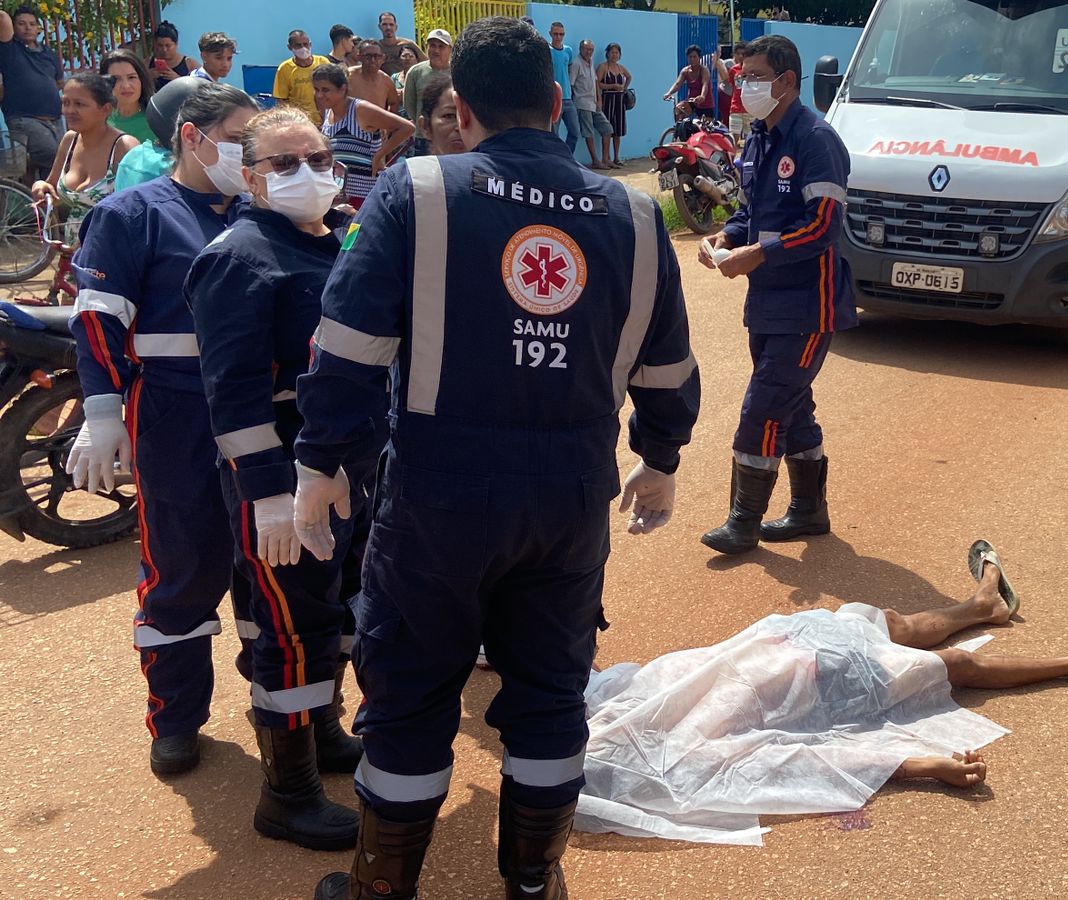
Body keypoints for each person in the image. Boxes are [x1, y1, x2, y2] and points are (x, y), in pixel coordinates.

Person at [297, 17, 697, 899]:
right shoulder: (635, 213)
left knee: (409, 692)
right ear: (559, 104)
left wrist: (320, 458)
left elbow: (348, 345)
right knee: (551, 694)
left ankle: (380, 885)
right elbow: (666, 362)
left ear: (462, 110)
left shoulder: (418, 194)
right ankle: (532, 881)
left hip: (441, 495)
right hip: (570, 497)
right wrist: (661, 454)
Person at [577, 541, 1068, 844]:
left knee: (890, 622)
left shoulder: (618, 699)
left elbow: (563, 676)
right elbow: (798, 760)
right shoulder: (686, 754)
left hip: (784, 640)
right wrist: (918, 764)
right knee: (953, 665)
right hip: (830, 685)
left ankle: (983, 603)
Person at [185, 105, 372, 851]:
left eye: (321, 159)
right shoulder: (240, 256)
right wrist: (266, 491)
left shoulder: (344, 241)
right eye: (286, 164)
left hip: (353, 465)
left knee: (334, 613)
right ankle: (286, 792)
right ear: (252, 178)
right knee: (290, 626)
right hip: (285, 473)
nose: (310, 175)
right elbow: (230, 391)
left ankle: (322, 730)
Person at [65, 80, 260, 776]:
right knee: (181, 564)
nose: (249, 156)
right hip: (175, 413)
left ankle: (289, 712)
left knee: (271, 569)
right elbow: (98, 318)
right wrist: (101, 410)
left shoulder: (258, 210)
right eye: (239, 141)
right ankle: (175, 717)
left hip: (262, 412)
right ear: (191, 135)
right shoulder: (133, 215)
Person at [697, 34, 854, 555]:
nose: (744, 84)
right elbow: (750, 213)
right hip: (767, 302)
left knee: (763, 405)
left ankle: (744, 521)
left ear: (787, 81)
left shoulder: (815, 140)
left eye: (755, 76)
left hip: (809, 304)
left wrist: (758, 254)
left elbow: (825, 225)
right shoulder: (759, 136)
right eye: (741, 76)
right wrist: (726, 237)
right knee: (793, 404)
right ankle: (810, 511)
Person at [31, 73, 139, 244]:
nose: (70, 111)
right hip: (73, 255)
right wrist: (41, 186)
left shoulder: (124, 147)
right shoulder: (70, 141)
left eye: (79, 104)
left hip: (113, 252)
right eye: (66, 103)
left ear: (105, 109)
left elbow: (139, 209)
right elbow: (51, 186)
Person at [312, 63, 413, 209]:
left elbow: (407, 128)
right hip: (340, 197)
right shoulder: (328, 112)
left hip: (365, 197)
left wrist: (379, 156)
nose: (320, 95)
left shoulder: (360, 109)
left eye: (326, 90)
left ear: (342, 89)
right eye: (317, 90)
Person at [0, 6, 66, 184]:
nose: (27, 27)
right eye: (21, 24)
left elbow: (59, 81)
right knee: (55, 157)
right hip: (25, 119)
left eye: (32, 24)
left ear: (38, 28)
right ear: (13, 27)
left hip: (55, 120)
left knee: (53, 168)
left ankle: (44, 208)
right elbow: (2, 17)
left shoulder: (48, 53)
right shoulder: (9, 49)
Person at [402, 29, 452, 154]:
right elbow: (409, 105)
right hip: (424, 137)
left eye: (441, 46)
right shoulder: (415, 72)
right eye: (432, 46)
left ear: (450, 50)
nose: (436, 50)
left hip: (451, 135)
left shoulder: (458, 72)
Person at [99, 50, 158, 146]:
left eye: (131, 77)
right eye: (116, 79)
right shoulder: (99, 121)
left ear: (142, 79)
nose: (126, 86)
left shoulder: (159, 118)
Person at [570, 39, 613, 169]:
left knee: (607, 129)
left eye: (591, 50)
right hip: (582, 103)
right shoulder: (576, 64)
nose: (589, 52)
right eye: (586, 49)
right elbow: (571, 84)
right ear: (580, 49)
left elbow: (595, 82)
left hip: (593, 103)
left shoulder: (590, 62)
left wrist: (599, 99)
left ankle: (605, 159)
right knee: (588, 133)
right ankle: (595, 160)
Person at [274, 30, 330, 123]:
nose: (303, 48)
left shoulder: (323, 63)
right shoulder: (284, 69)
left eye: (305, 44)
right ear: (289, 47)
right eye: (298, 45)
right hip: (299, 122)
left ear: (310, 44)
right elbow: (281, 100)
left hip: (324, 121)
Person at [597, 43, 630, 168]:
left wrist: (624, 89)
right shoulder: (603, 67)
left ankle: (616, 157)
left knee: (618, 130)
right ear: (607, 53)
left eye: (616, 52)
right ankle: (606, 157)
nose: (614, 55)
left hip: (619, 100)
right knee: (607, 130)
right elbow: (598, 84)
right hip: (608, 99)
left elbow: (629, 77)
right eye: (612, 52)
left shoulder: (621, 68)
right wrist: (612, 86)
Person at [417, 72, 465, 156]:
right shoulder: (412, 169)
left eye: (472, 118)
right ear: (425, 126)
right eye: (449, 116)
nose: (461, 126)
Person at [548, 22, 579, 152]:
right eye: (556, 34)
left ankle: (568, 158)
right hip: (554, 97)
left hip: (567, 97)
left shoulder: (568, 50)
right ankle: (556, 160)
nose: (558, 37)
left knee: (575, 132)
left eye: (561, 34)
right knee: (554, 134)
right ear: (550, 34)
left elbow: (570, 68)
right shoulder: (546, 50)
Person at [348, 39, 401, 114]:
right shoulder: (348, 76)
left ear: (383, 58)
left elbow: (394, 103)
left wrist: (387, 119)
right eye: (368, 56)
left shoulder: (386, 81)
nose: (372, 60)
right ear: (359, 57)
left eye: (377, 56)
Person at [663, 44, 713, 117]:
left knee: (703, 127)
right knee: (678, 109)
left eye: (694, 57)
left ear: (699, 57)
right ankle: (680, 127)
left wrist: (702, 96)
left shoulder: (704, 70)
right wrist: (669, 93)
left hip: (705, 104)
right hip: (692, 102)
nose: (692, 59)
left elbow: (705, 84)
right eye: (690, 57)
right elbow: (677, 84)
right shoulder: (685, 71)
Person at [148, 20, 196, 85]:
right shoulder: (148, 63)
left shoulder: (189, 64)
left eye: (168, 45)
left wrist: (178, 79)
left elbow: (201, 85)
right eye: (160, 45)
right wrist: (147, 77)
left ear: (176, 44)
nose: (164, 49)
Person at [377, 11, 421, 76]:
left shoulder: (408, 45)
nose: (388, 27)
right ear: (379, 27)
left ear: (396, 27)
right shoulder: (377, 47)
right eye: (384, 24)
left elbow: (426, 63)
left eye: (391, 24)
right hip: (384, 84)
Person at [726, 42, 750, 144]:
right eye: (738, 53)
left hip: (749, 108)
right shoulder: (733, 70)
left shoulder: (752, 70)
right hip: (735, 107)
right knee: (733, 138)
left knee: (750, 138)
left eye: (743, 54)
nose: (741, 56)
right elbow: (732, 84)